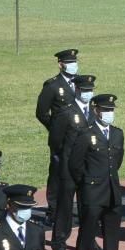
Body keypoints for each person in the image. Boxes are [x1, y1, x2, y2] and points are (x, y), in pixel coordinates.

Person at [68, 93, 125, 250]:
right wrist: (87, 185)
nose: (109, 113)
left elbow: (117, 162)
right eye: (105, 110)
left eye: (111, 110)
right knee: (87, 234)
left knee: (112, 234)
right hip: (92, 193)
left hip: (112, 191)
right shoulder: (86, 135)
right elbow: (75, 165)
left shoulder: (117, 133)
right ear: (96, 111)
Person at [48, 74, 96, 250]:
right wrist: (65, 160)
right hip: (68, 167)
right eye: (84, 90)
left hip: (89, 167)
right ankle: (59, 243)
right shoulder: (66, 112)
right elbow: (55, 140)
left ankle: (89, 240)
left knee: (89, 206)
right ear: (76, 90)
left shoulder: (94, 111)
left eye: (90, 90)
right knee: (65, 207)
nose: (87, 93)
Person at [35, 49, 80, 225]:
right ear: (61, 64)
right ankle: (53, 211)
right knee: (57, 174)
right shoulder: (52, 86)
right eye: (69, 62)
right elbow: (41, 112)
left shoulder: (81, 84)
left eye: (75, 61)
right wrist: (56, 129)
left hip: (80, 138)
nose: (73, 65)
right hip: (61, 139)